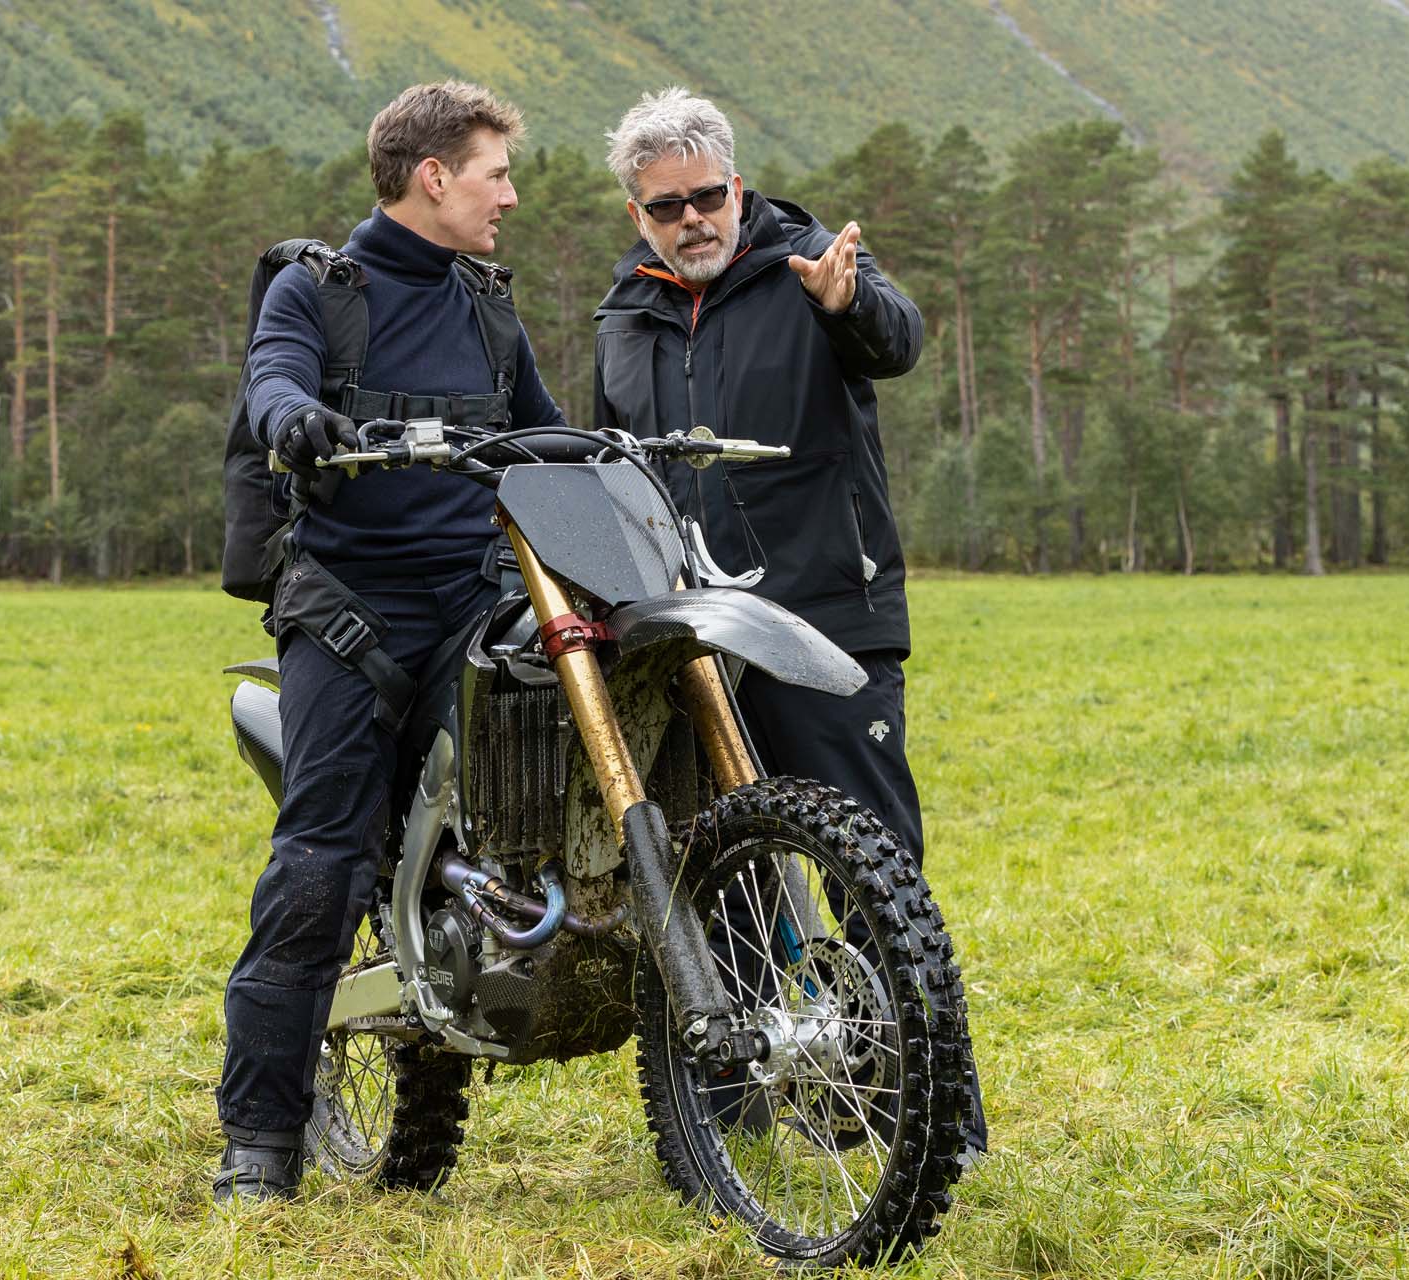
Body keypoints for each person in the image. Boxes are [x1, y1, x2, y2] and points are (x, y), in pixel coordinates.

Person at [591, 87, 987, 1159]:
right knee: (712, 868)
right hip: (683, 639)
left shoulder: (810, 261)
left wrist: (845, 304)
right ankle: (735, 1110)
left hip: (823, 615)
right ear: (638, 212)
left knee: (874, 868)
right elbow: (606, 462)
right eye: (666, 206)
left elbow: (896, 340)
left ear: (736, 182)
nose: (692, 220)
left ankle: (936, 1116)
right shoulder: (624, 313)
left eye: (707, 196)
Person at [215, 81, 568, 1204]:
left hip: (477, 605)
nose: (509, 194)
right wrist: (292, 418)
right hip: (352, 617)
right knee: (317, 863)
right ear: (434, 177)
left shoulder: (486, 307)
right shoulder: (316, 293)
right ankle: (261, 1144)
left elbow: (545, 432)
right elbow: (271, 380)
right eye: (495, 173)